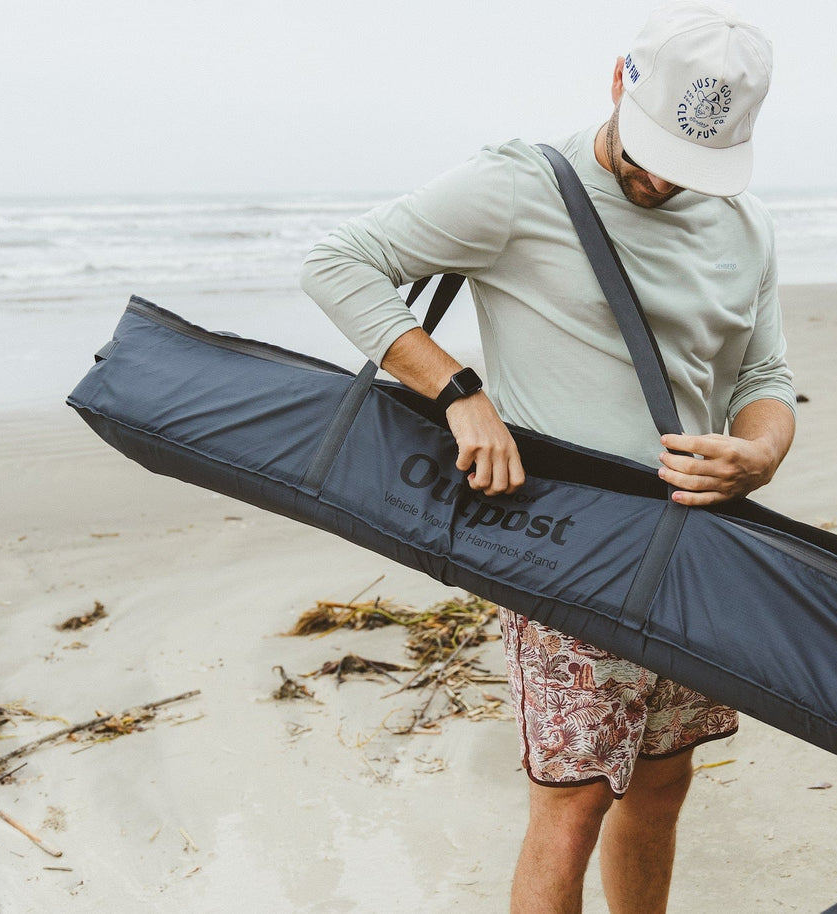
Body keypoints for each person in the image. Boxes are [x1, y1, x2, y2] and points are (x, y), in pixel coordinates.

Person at [300, 3, 795, 910]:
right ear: (619, 81)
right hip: (564, 546)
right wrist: (457, 391)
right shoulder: (518, 187)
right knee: (570, 806)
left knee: (663, 784)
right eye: (648, 152)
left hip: (696, 546)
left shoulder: (746, 224)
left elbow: (764, 371)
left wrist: (758, 454)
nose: (658, 181)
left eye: (688, 168)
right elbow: (339, 262)